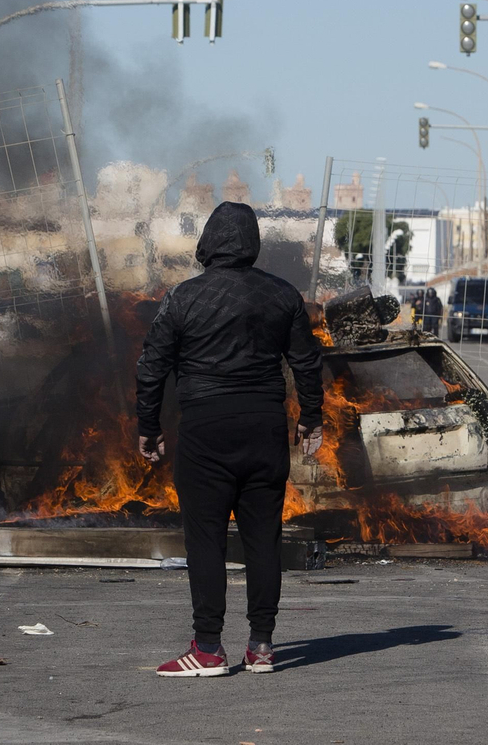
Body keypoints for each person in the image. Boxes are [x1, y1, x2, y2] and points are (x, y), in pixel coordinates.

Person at [136, 202, 324, 677]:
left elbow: (151, 367)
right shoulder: (283, 296)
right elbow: (306, 362)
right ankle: (261, 646)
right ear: (253, 244)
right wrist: (311, 418)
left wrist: (149, 426)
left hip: (206, 430)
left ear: (207, 243)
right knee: (263, 538)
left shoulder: (182, 298)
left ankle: (207, 649)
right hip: (265, 428)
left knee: (206, 540)